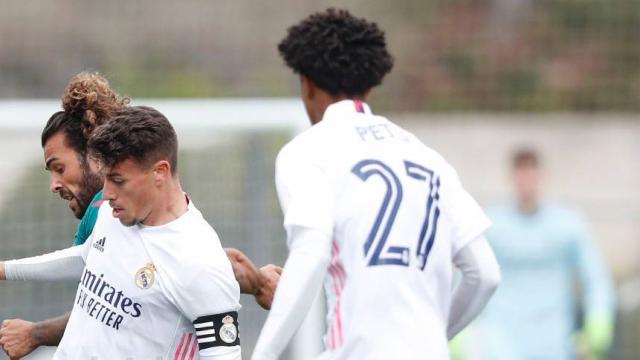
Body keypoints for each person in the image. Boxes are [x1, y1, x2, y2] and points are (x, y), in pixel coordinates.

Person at [251, 9, 501, 360]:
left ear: (306, 83)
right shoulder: (429, 158)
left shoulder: (308, 151)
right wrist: (427, 340)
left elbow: (312, 252)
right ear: (369, 85)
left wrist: (264, 354)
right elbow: (485, 274)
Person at [0, 73, 280, 359]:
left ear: (159, 172)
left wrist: (257, 281)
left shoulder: (200, 264)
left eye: (118, 180)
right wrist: (6, 270)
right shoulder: (115, 212)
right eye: (106, 179)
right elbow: (88, 256)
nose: (106, 194)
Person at [468, 148, 616, 359]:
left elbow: (596, 278)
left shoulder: (568, 223)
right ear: (511, 178)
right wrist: (462, 329)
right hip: (500, 340)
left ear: (541, 177)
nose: (526, 182)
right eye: (521, 174)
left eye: (531, 174)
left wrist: (599, 319)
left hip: (554, 342)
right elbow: (468, 277)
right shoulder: (491, 224)